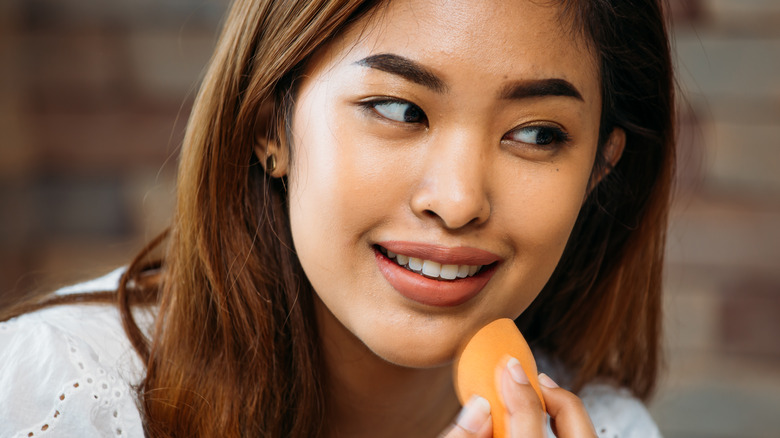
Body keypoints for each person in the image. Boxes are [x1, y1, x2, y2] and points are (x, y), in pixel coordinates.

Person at [0, 0, 674, 436]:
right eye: (400, 110)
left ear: (599, 169)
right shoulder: (58, 395)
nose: (460, 199)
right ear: (272, 126)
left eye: (536, 134)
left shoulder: (609, 429)